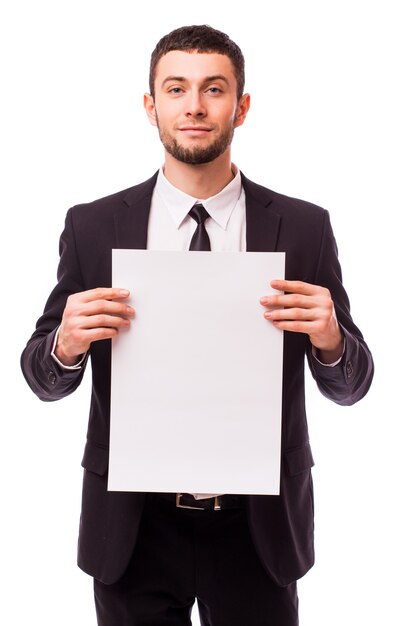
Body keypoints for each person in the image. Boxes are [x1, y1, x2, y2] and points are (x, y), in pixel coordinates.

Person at [21, 24, 374, 626]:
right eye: (176, 88)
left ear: (241, 107)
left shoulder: (304, 227)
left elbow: (353, 384)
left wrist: (332, 339)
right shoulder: (94, 226)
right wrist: (65, 344)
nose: (194, 106)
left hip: (257, 527)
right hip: (134, 525)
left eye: (213, 89)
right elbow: (42, 377)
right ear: (149, 105)